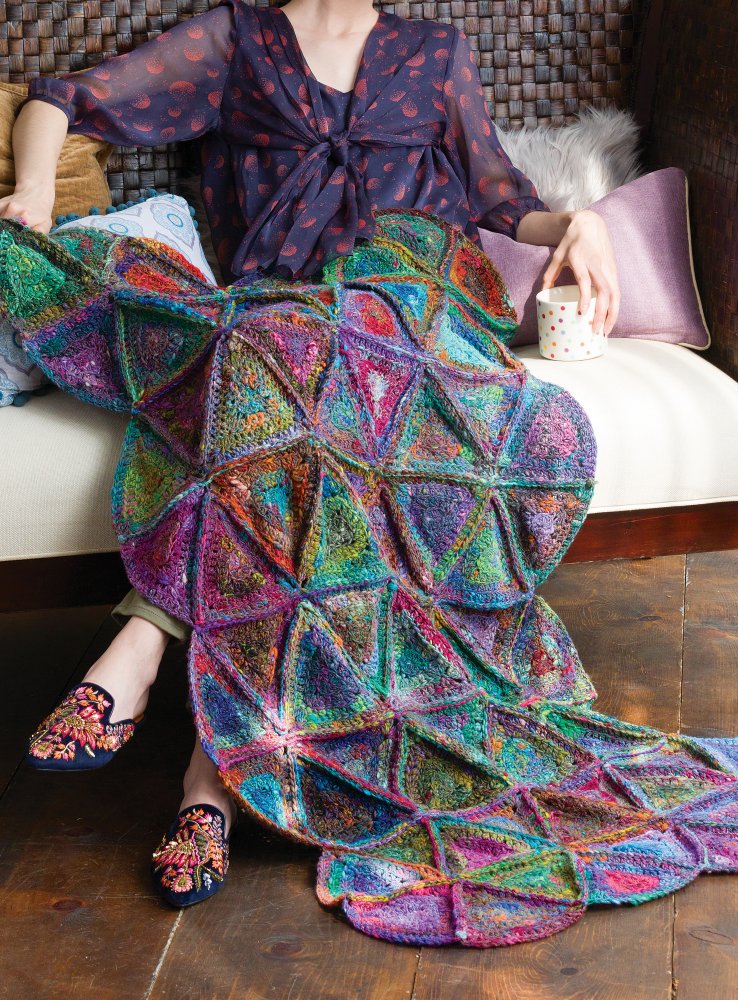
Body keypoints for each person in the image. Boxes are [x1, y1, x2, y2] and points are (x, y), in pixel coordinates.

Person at [0, 0, 620, 907]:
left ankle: (143, 646)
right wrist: (35, 192)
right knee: (272, 379)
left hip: (415, 305)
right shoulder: (238, 40)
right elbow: (61, 99)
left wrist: (578, 222)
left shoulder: (435, 50)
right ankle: (211, 785)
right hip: (283, 318)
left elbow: (500, 195)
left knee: (292, 373)